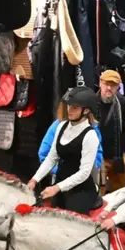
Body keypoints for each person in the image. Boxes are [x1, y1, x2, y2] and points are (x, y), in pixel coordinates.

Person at [28, 87, 103, 215]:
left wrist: (57, 188)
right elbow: (52, 158)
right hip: (59, 184)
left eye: (75, 108)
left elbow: (84, 172)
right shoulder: (61, 126)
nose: (69, 110)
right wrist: (35, 179)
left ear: (86, 110)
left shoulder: (90, 136)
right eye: (69, 106)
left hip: (80, 190)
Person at [97, 70, 125, 191]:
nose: (109, 88)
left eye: (113, 85)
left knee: (120, 191)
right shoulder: (92, 102)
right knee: (99, 192)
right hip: (98, 156)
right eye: (106, 84)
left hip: (117, 155)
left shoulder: (121, 102)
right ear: (100, 83)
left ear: (118, 87)